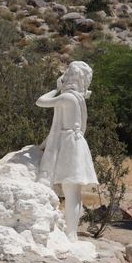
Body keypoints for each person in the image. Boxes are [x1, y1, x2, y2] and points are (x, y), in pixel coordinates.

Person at [36, 61, 98, 242]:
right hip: (75, 143)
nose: (65, 78)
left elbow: (40, 101)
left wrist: (56, 89)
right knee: (73, 192)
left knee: (71, 191)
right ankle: (72, 232)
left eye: (68, 75)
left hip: (69, 145)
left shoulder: (67, 98)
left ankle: (71, 233)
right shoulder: (78, 98)